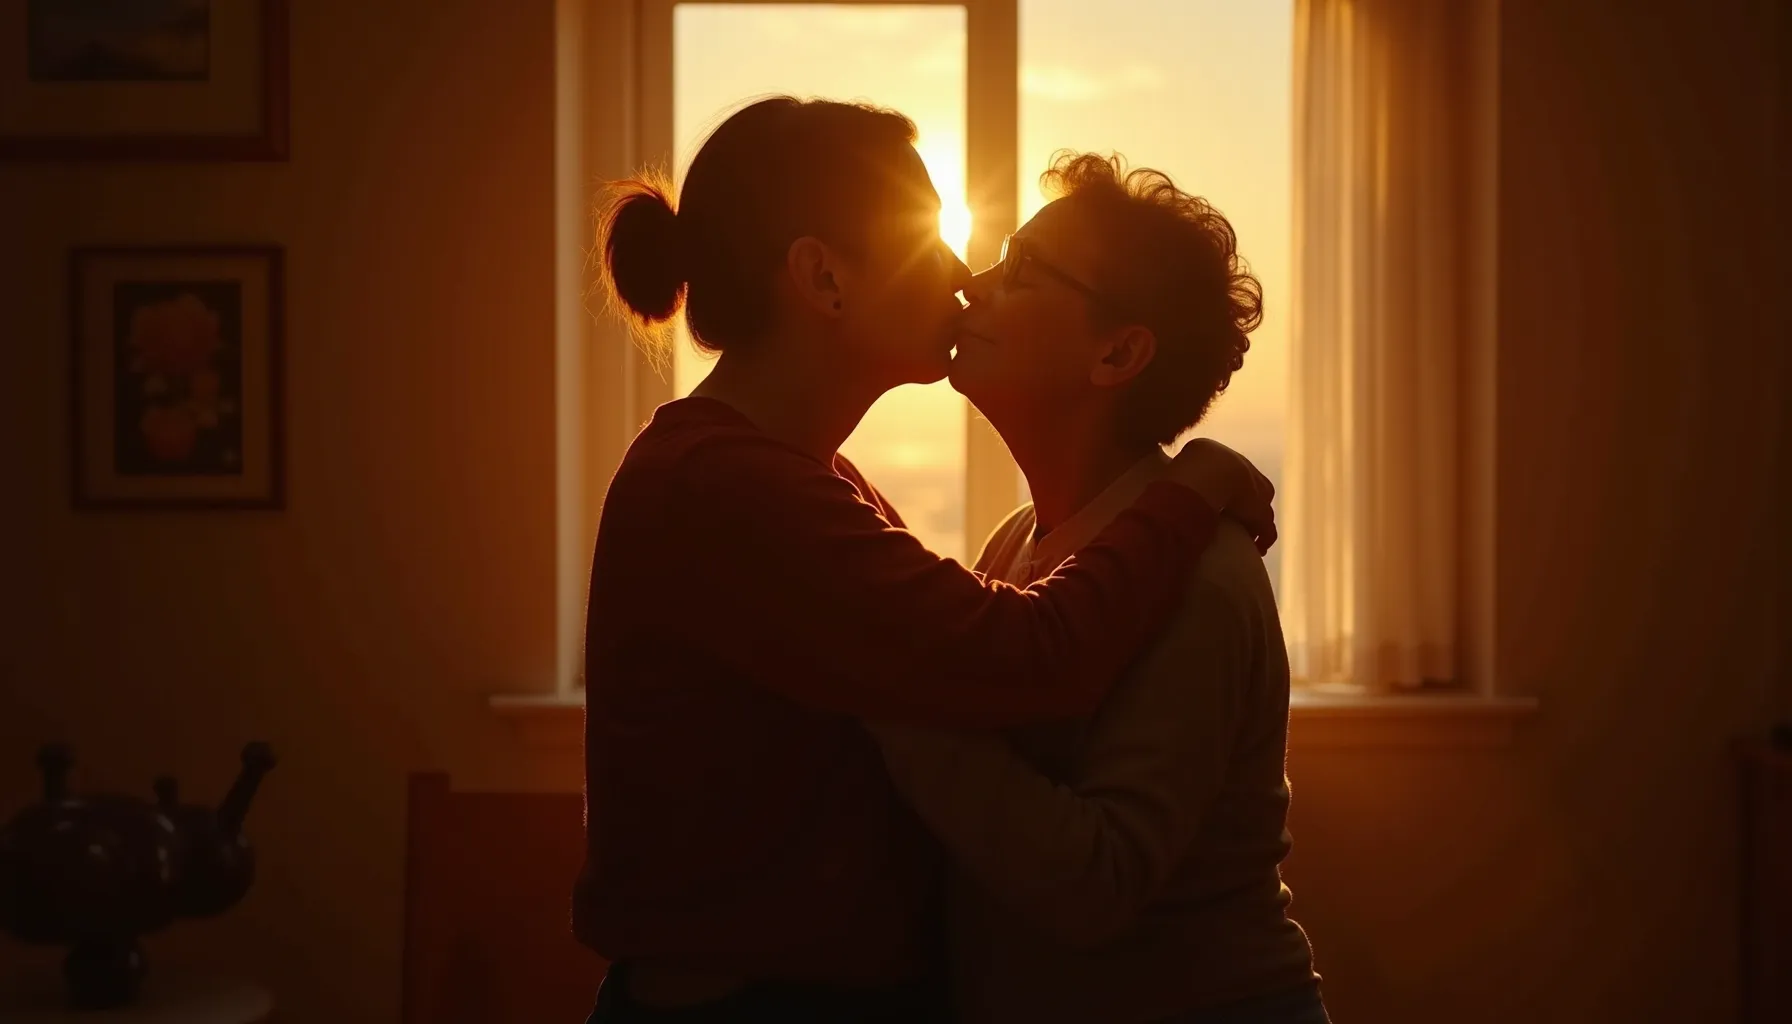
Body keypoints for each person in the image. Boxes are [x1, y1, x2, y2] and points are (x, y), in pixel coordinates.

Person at [577, 99, 1277, 1023]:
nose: (961, 276)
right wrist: (1193, 488)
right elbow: (1032, 655)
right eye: (924, 239)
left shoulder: (813, 485)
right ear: (824, 278)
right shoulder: (725, 487)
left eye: (1016, 269)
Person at [871, 153, 1328, 1024]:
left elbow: (1098, 882)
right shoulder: (1016, 541)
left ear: (1117, 353)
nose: (974, 284)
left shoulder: (1203, 576)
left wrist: (881, 681)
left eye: (1023, 270)